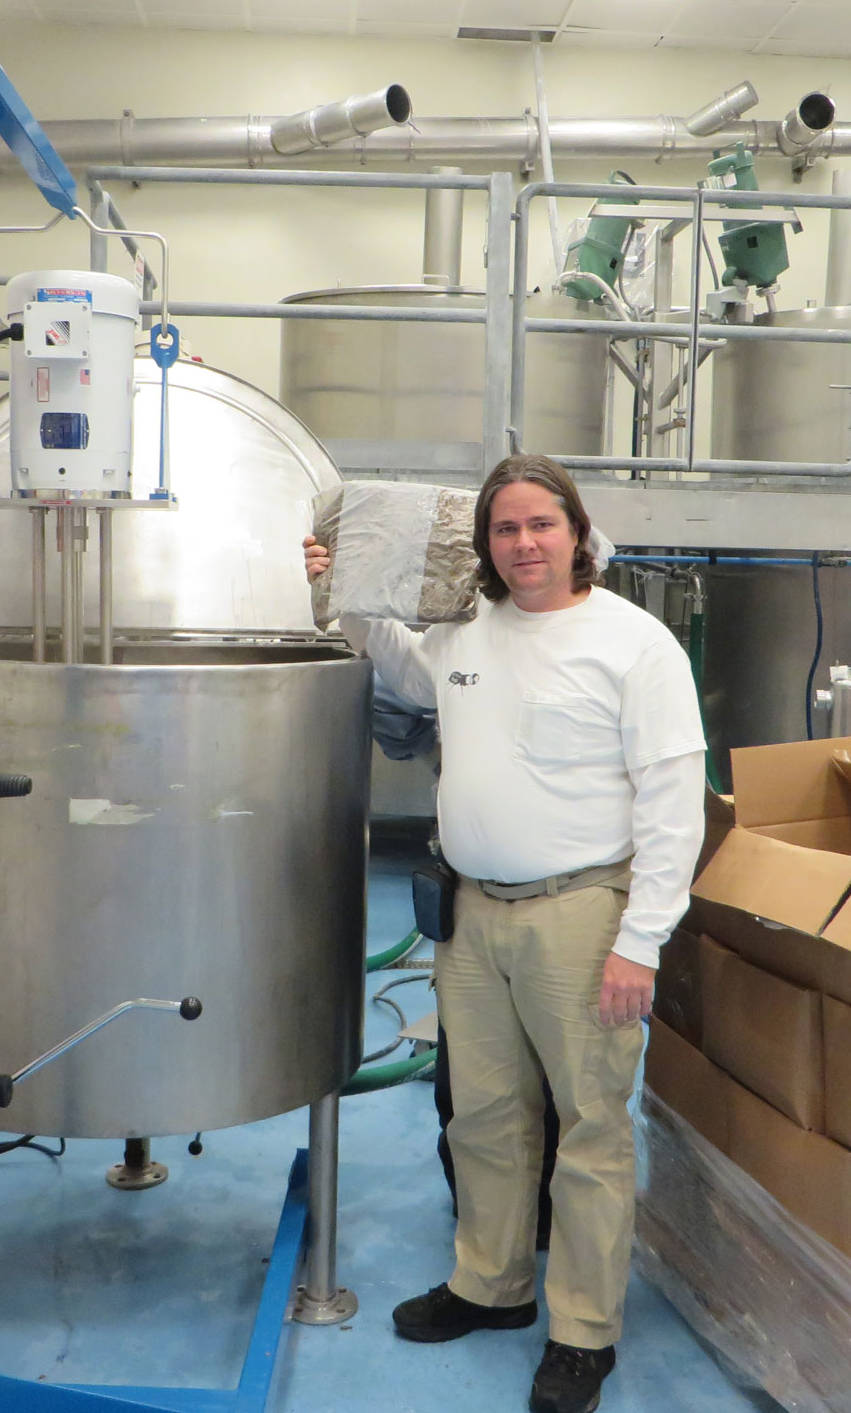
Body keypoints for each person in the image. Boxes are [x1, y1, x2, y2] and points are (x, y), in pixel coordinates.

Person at [303, 455, 706, 1413]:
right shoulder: (472, 633)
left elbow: (673, 802)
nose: (524, 545)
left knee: (590, 1131)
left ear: (578, 533)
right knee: (481, 1117)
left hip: (581, 915)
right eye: (505, 530)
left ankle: (582, 1332)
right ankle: (492, 1284)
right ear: (486, 547)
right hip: (474, 916)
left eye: (541, 526)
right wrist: (341, 593)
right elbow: (404, 664)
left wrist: (641, 941)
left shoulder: (635, 644)